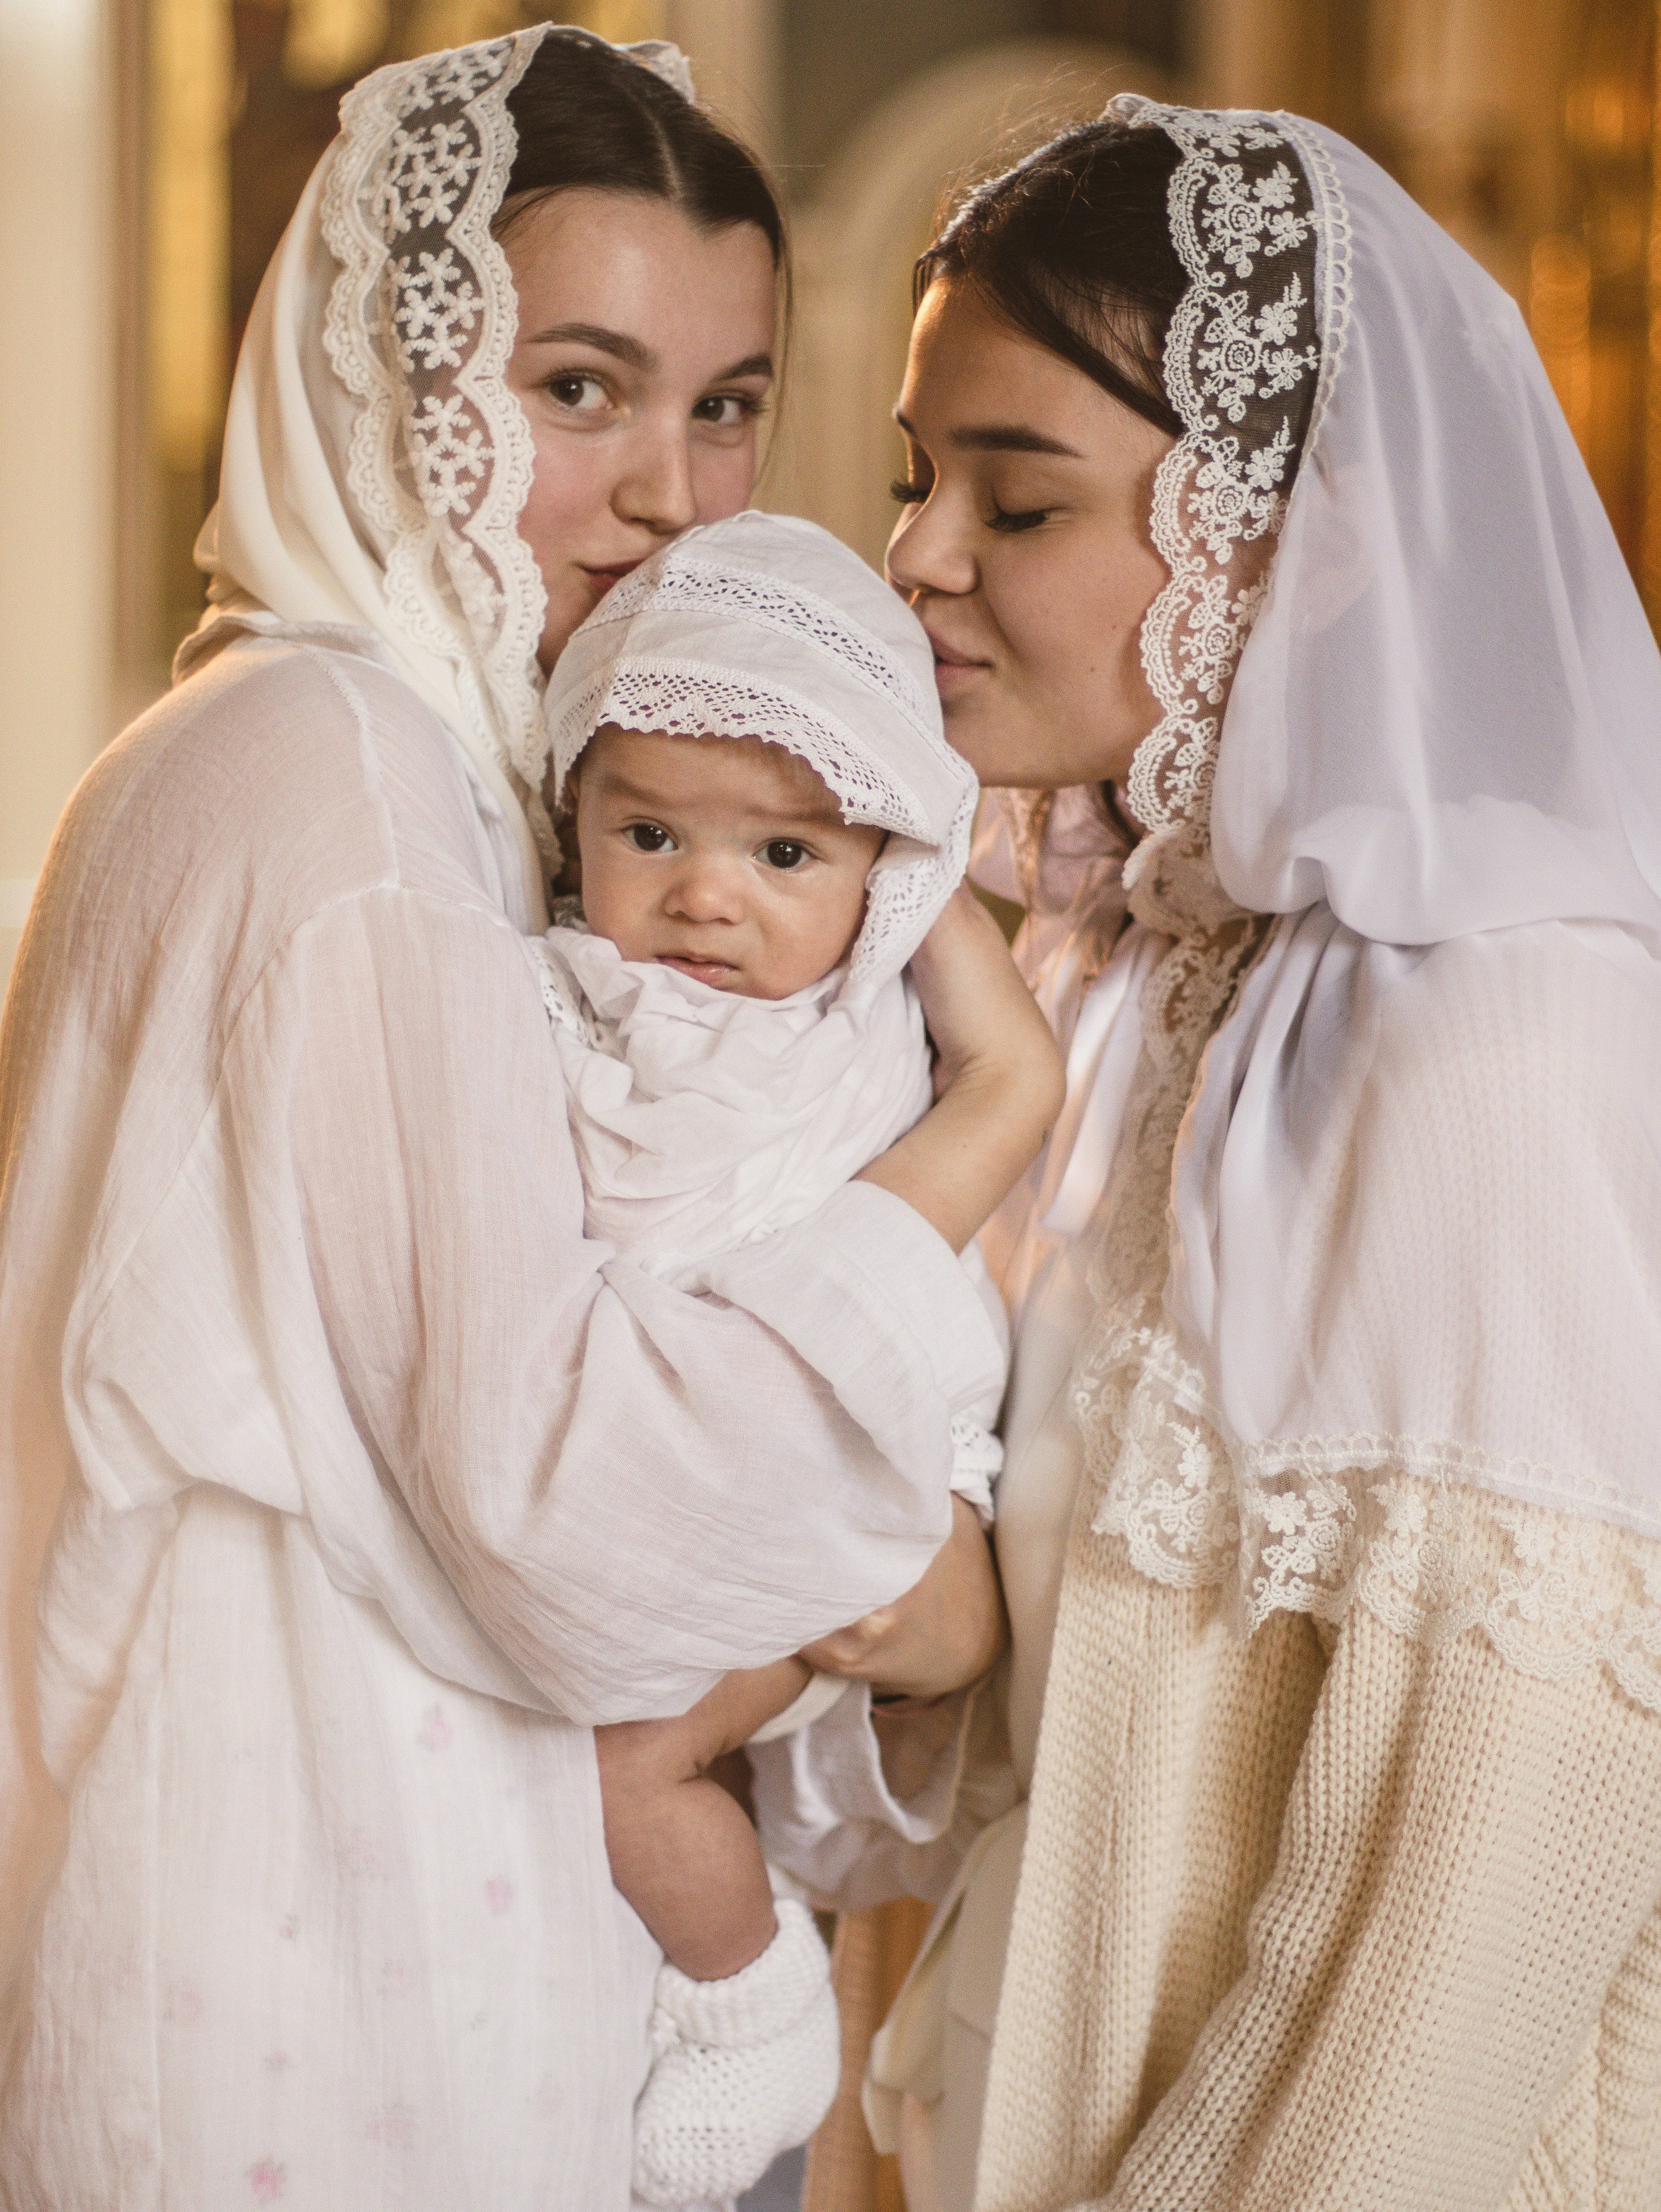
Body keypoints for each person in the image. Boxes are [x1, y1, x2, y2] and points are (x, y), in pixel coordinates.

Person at [0, 29, 1060, 2209]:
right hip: (320, 2049)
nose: (670, 487)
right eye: (574, 386)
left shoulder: (486, 793)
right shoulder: (341, 791)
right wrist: (982, 1133)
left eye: (729, 400)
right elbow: (566, 1522)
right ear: (386, 379)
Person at [752, 99, 1661, 2212]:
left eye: (1022, 498)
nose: (919, 557)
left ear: (1299, 534)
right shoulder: (1139, 983)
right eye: (914, 479)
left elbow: (1475, 1889)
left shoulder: (1493, 1025)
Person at [532, 507, 1006, 2206]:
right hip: (640, 1466)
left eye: (786, 856)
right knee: (626, 1759)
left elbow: (990, 1100)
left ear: (883, 874)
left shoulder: (861, 1036)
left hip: (844, 1468)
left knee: (630, 1758)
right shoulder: (558, 995)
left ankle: (749, 2001)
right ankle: (687, 1974)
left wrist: (910, 867)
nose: (708, 893)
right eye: (647, 828)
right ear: (568, 812)